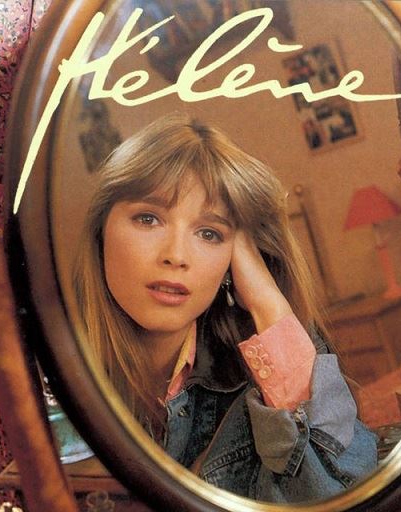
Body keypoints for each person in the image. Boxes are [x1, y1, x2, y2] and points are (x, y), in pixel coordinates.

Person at [73, 112, 377, 503]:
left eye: (209, 233)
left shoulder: (266, 363)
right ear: (101, 232)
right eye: (148, 219)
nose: (176, 255)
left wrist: (267, 302)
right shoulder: (50, 368)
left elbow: (346, 495)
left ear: (235, 259)